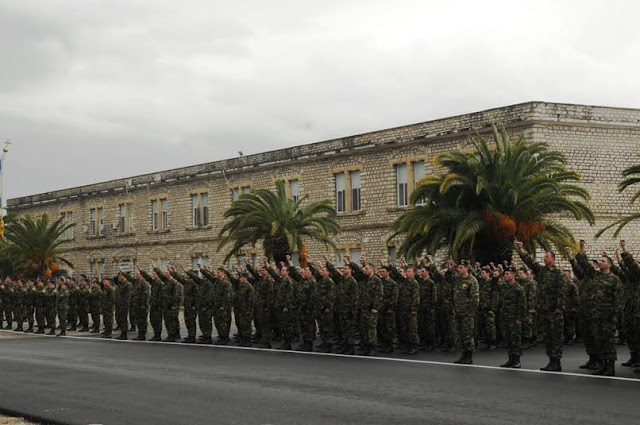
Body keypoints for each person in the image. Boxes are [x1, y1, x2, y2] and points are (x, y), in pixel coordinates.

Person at [515, 241, 565, 372]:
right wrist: (521, 250)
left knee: (555, 337)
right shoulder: (542, 271)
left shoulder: (558, 274)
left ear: (553, 259)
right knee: (547, 337)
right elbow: (530, 262)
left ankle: (557, 362)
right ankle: (551, 361)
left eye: (547, 256)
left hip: (554, 310)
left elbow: (562, 291)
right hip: (544, 309)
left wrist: (559, 307)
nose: (544, 258)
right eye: (544, 256)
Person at [451, 260, 479, 364]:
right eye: (458, 268)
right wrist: (450, 268)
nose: (458, 269)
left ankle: (469, 356)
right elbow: (448, 278)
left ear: (467, 268)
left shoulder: (472, 281)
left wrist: (470, 312)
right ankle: (463, 354)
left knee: (467, 334)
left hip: (467, 313)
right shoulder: (458, 279)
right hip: (458, 311)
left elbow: (475, 299)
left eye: (461, 267)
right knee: (460, 334)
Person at [499, 267, 526, 368]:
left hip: (514, 319)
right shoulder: (504, 287)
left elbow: (522, 305)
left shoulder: (519, 289)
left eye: (507, 274)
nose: (505, 275)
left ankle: (517, 360)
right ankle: (510, 359)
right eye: (504, 274)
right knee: (508, 339)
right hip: (505, 317)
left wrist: (519, 318)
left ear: (513, 275)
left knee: (516, 340)